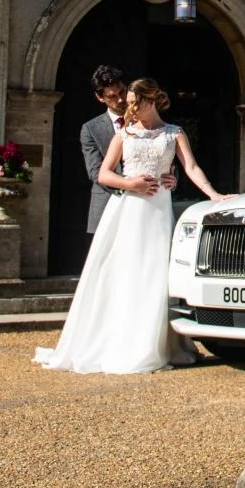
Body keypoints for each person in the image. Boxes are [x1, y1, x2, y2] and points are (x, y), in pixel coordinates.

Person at [35, 78, 229, 374]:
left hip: (158, 211)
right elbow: (103, 174)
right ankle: (120, 340)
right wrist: (131, 183)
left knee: (155, 273)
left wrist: (214, 195)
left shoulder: (174, 133)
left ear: (152, 101)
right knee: (122, 271)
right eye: (129, 103)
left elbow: (190, 167)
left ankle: (157, 343)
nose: (130, 108)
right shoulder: (124, 135)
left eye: (135, 103)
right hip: (128, 209)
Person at [79, 65, 173, 233]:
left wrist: (172, 178)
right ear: (100, 98)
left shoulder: (150, 119)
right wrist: (131, 185)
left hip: (150, 205)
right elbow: (95, 172)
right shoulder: (90, 129)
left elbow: (165, 153)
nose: (121, 100)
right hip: (108, 205)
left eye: (122, 92)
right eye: (112, 96)